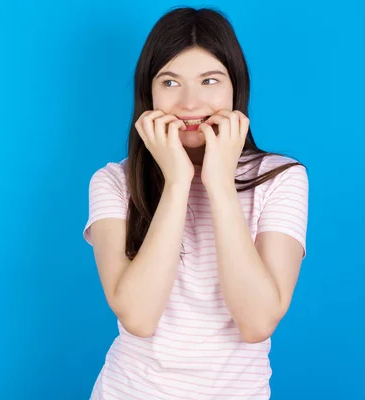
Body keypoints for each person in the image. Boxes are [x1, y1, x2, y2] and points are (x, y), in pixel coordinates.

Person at [82, 6, 309, 400]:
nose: (190, 103)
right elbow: (138, 316)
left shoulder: (281, 177)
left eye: (209, 80)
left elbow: (256, 322)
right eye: (170, 82)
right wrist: (178, 181)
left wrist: (219, 184)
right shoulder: (114, 182)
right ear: (147, 92)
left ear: (235, 87)